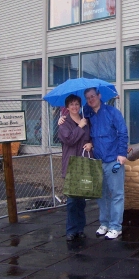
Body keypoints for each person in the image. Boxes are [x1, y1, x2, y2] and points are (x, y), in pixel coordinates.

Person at [83, 87, 128, 240]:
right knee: (101, 195)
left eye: (93, 96)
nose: (91, 99)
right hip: (98, 161)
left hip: (113, 160)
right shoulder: (88, 114)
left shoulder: (112, 112)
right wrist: (61, 119)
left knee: (116, 195)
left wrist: (122, 154)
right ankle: (105, 223)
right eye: (88, 97)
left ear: (99, 96)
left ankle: (116, 226)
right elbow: (76, 119)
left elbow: (122, 132)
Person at [58, 94, 92, 241]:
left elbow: (91, 137)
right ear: (67, 107)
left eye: (77, 104)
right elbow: (69, 140)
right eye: (71, 104)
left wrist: (91, 144)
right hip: (71, 165)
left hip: (83, 164)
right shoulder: (63, 123)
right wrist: (79, 127)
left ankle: (80, 228)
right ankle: (71, 230)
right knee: (72, 200)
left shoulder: (86, 120)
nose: (74, 106)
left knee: (81, 201)